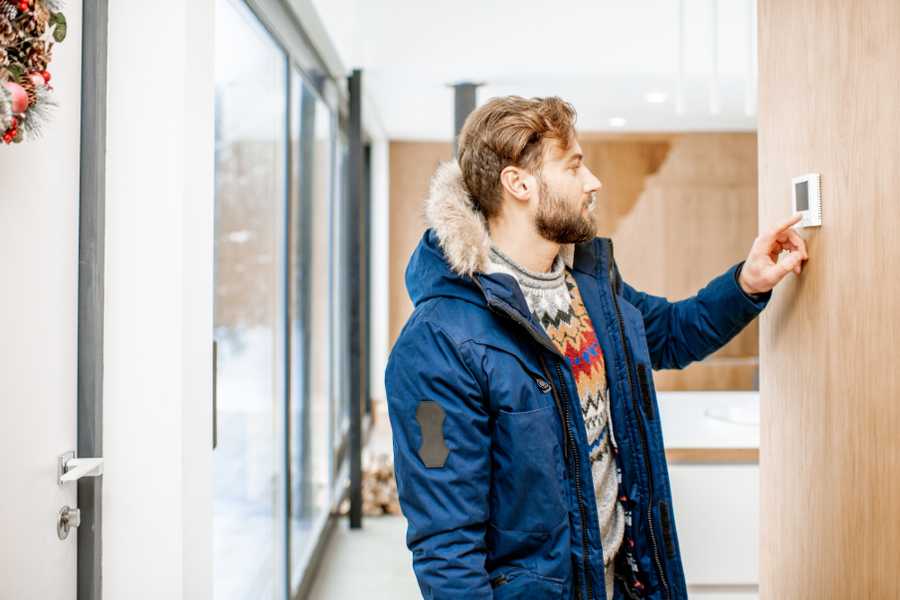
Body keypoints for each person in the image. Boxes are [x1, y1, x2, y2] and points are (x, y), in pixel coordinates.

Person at [384, 95, 807, 600]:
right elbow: (447, 546)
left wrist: (748, 283)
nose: (593, 182)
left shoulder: (590, 286)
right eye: (574, 166)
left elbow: (672, 333)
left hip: (623, 582)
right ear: (519, 183)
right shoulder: (438, 342)